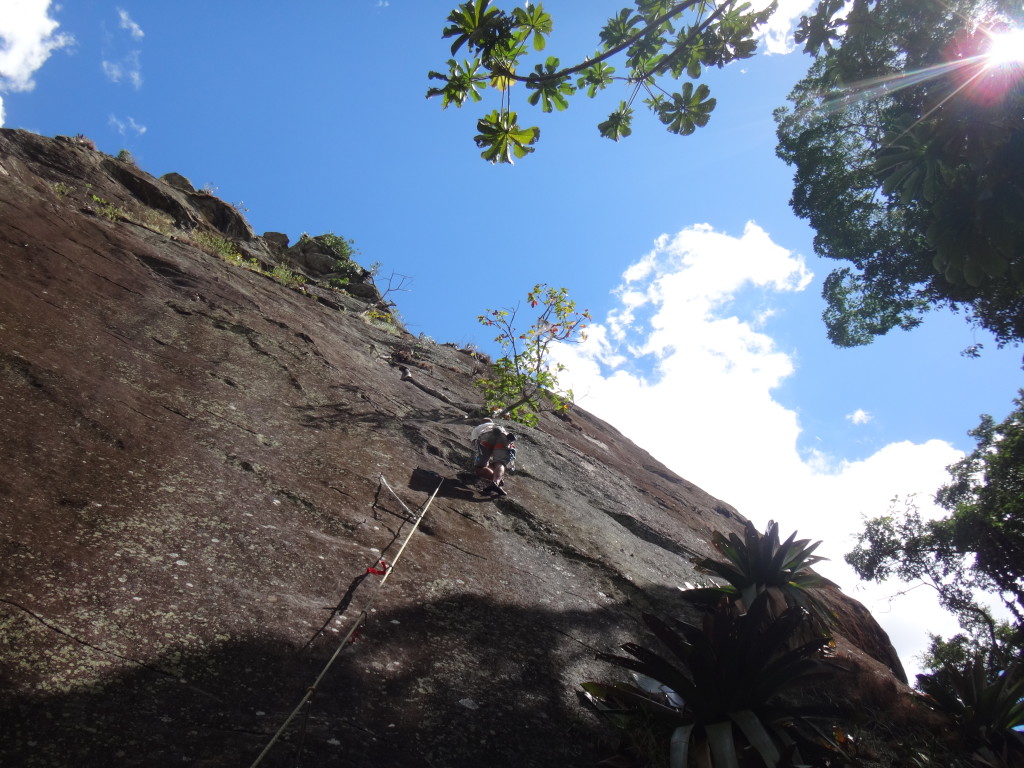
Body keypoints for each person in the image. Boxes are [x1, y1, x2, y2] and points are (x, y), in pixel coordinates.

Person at [470, 418, 516, 496]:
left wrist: (481, 458)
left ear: (481, 423)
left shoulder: (479, 427)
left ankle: (495, 480)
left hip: (486, 436)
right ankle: (496, 482)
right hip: (503, 437)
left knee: (479, 467)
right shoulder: (499, 426)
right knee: (500, 463)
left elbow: (475, 443)